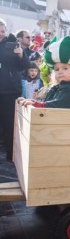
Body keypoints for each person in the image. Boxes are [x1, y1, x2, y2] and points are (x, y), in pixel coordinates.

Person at [18, 36, 70, 109]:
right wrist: (33, 101)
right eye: (56, 69)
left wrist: (38, 105)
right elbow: (49, 102)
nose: (60, 72)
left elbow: (59, 105)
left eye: (65, 68)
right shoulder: (57, 88)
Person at [0, 18, 29, 160]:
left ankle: (11, 155)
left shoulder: (11, 44)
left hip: (9, 90)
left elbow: (24, 66)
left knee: (9, 124)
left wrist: (21, 54)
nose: (1, 34)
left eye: (3, 31)